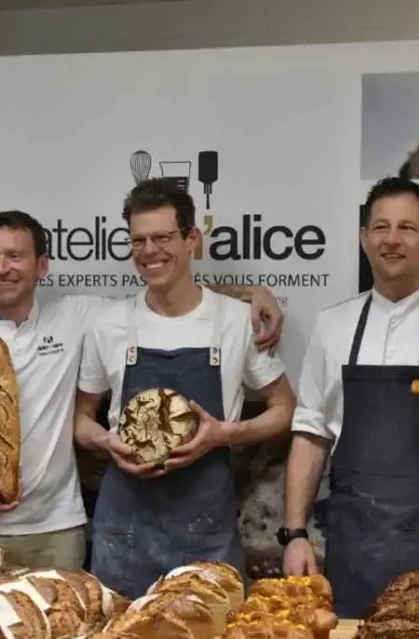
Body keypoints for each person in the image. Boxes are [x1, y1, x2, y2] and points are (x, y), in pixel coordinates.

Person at [0, 209, 284, 570]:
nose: (2, 268)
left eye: (14, 256)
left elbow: (168, 287)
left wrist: (253, 292)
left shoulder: (77, 316)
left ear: (42, 266)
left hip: (55, 530)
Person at [280, 176, 419, 621]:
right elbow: (310, 435)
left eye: (407, 228)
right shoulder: (333, 325)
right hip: (355, 551)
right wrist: (294, 533)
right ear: (364, 238)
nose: (392, 239)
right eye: (380, 228)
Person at [74, 179, 297, 598]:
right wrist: (106, 442)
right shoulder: (108, 325)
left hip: (205, 529)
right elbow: (80, 418)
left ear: (192, 239)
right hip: (124, 532)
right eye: (138, 240)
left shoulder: (234, 321)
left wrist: (226, 434)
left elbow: (284, 407)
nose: (149, 251)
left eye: (162, 237)